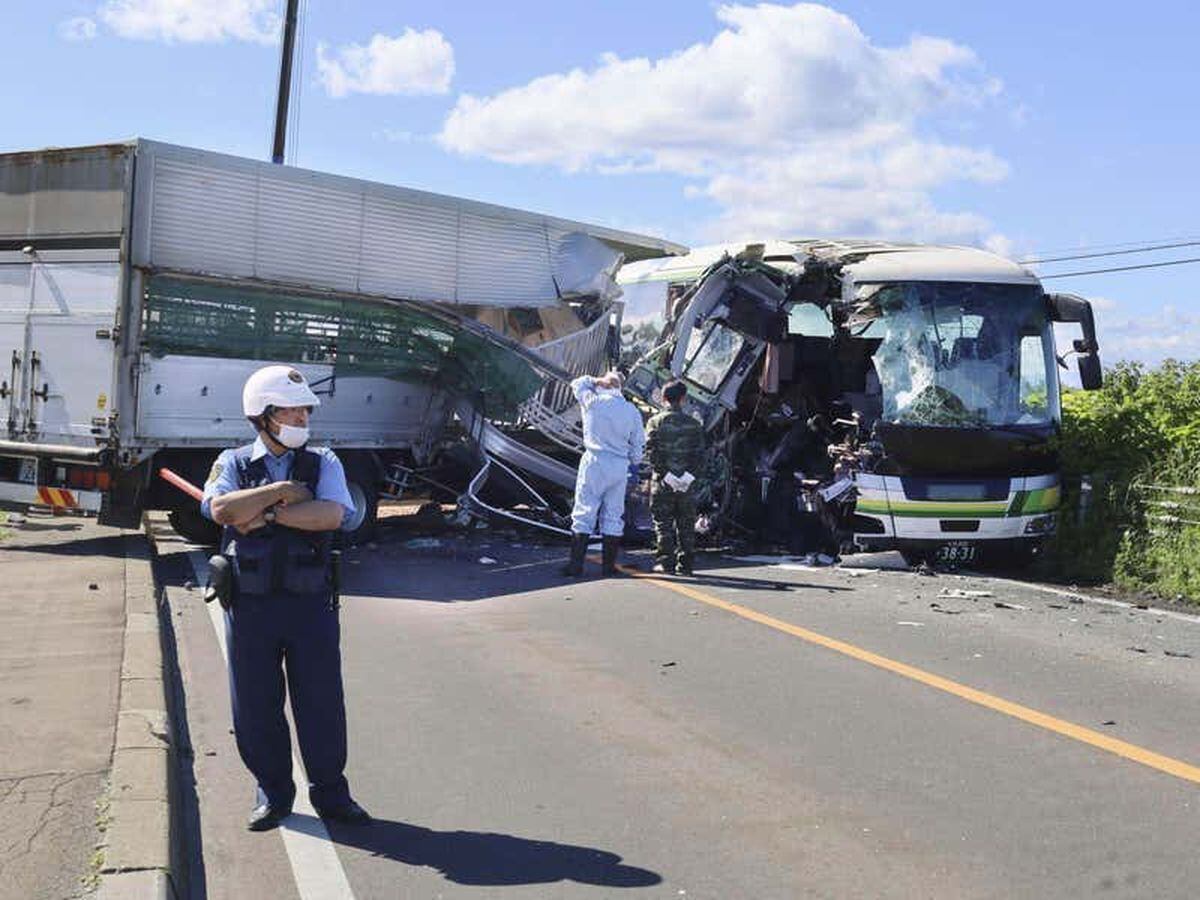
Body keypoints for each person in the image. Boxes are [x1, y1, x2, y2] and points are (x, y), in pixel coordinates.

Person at [201, 365, 370, 832]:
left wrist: (263, 513)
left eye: (304, 410)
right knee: (255, 705)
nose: (301, 417)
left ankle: (332, 795)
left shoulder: (324, 462)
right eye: (291, 410)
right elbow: (220, 509)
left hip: (309, 604)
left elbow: (331, 514)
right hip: (250, 605)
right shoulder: (232, 462)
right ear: (263, 416)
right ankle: (273, 794)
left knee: (320, 701)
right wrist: (279, 494)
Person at [563, 370, 645, 577]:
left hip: (594, 461)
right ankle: (608, 567)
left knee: (584, 512)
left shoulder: (592, 402)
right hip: (619, 466)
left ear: (604, 385)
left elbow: (577, 384)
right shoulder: (631, 411)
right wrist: (632, 462)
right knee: (613, 515)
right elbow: (637, 448)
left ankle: (575, 566)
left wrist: (597, 379)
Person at [645, 380, 706, 575]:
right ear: (683, 398)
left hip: (663, 482)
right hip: (687, 482)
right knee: (686, 523)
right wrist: (688, 477)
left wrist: (667, 475)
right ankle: (686, 564)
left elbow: (651, 453)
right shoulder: (694, 424)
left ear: (663, 398)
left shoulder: (655, 422)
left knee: (663, 524)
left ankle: (666, 563)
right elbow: (700, 455)